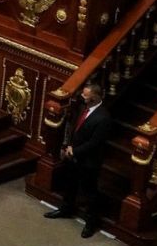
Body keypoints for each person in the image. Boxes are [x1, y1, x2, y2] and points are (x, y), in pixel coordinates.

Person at [44, 82, 111, 238]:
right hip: (73, 155)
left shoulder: (103, 118)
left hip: (89, 160)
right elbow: (76, 129)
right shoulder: (83, 108)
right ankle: (66, 209)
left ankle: (91, 222)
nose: (82, 97)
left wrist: (75, 151)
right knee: (70, 183)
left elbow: (95, 142)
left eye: (85, 95)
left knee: (89, 191)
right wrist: (68, 146)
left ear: (94, 97)